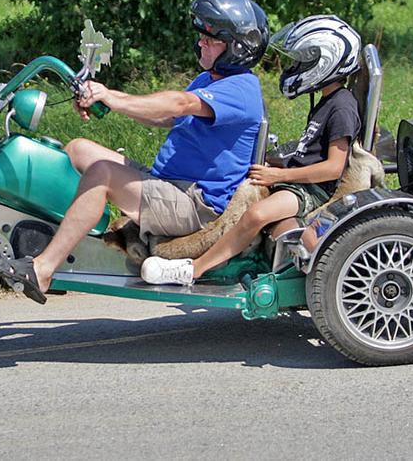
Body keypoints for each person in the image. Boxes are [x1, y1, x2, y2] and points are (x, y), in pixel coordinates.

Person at [0, 0, 269, 303]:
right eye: (201, 36)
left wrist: (113, 98)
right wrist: (108, 98)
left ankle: (44, 269)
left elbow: (180, 103)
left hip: (197, 206)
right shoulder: (209, 80)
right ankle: (42, 240)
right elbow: (165, 116)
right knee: (79, 149)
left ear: (237, 48)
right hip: (171, 187)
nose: (200, 43)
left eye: (211, 40)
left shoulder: (242, 89)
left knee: (103, 174)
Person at [141, 15, 363, 286]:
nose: (295, 67)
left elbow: (333, 168)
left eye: (302, 61)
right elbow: (311, 152)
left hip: (313, 191)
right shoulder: (327, 101)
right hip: (298, 183)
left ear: (325, 62)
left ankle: (193, 269)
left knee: (256, 215)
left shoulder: (342, 107)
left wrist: (278, 176)